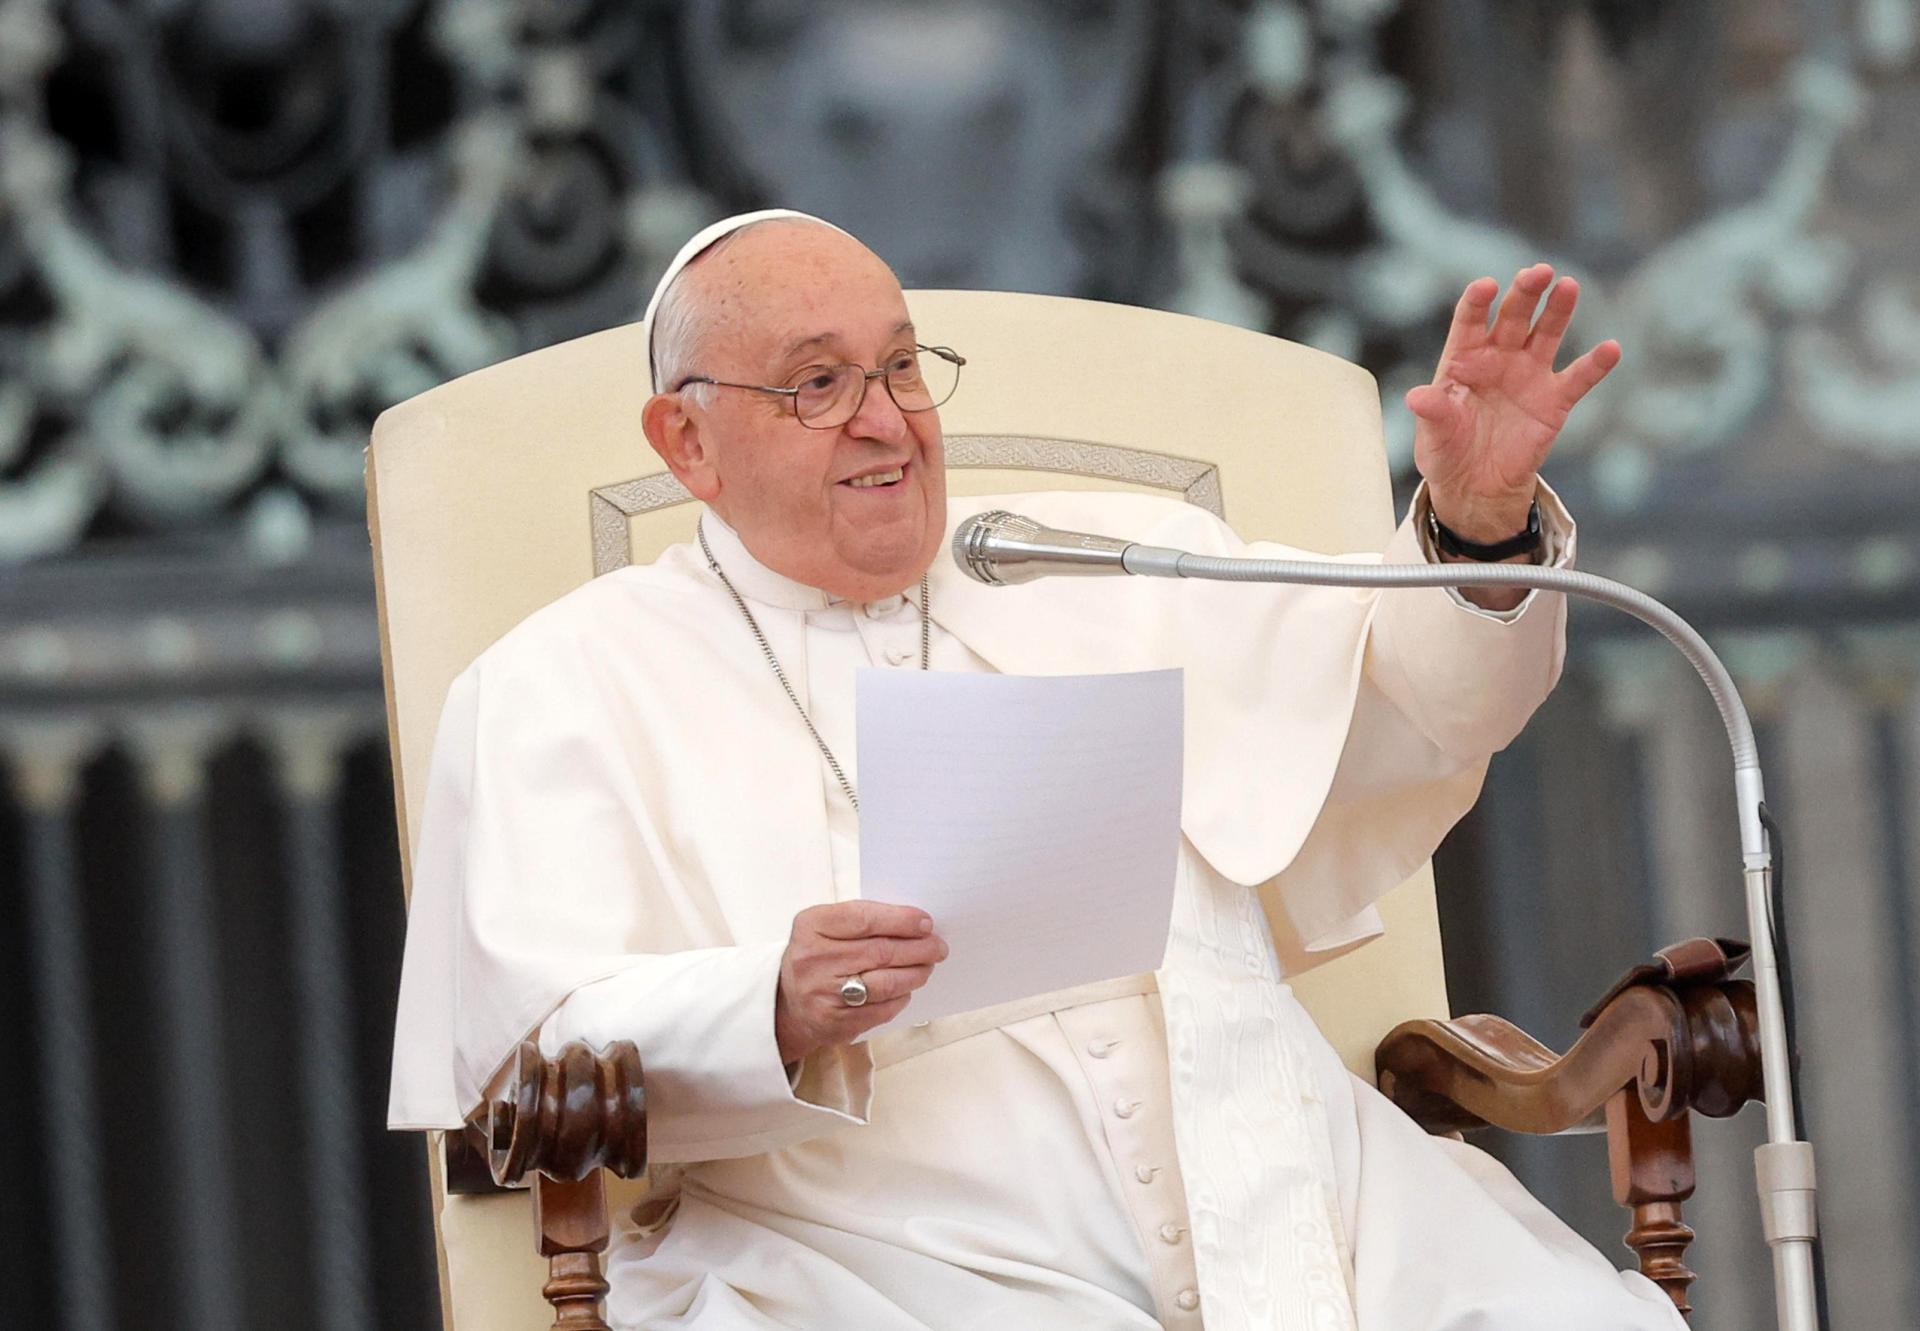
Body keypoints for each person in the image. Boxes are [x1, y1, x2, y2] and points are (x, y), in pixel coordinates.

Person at [389, 209, 1683, 1330]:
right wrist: (766, 1006)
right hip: (870, 1251)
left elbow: (1413, 712)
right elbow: (530, 1062)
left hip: (1293, 1175)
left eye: (902, 368)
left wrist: (1476, 522)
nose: (887, 419)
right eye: (817, 385)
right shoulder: (560, 685)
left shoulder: (1105, 560)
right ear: (686, 443)